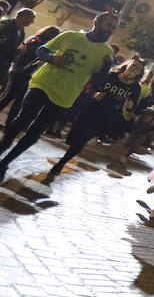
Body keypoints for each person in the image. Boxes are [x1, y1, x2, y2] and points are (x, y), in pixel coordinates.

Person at [0, 11, 118, 178]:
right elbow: (41, 51)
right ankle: (2, 149)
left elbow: (97, 80)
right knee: (22, 120)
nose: (110, 30)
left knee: (35, 132)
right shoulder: (70, 36)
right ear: (96, 22)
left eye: (114, 27)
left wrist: (106, 67)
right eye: (108, 25)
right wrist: (51, 59)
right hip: (43, 83)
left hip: (66, 95)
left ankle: (5, 163)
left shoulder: (106, 52)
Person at [45, 58, 146, 181]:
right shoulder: (111, 76)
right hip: (90, 109)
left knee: (82, 140)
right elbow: (92, 87)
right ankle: (70, 149)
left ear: (139, 73)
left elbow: (133, 105)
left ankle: (61, 163)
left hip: (107, 116)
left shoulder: (135, 87)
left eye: (138, 68)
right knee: (72, 137)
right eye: (133, 65)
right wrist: (94, 94)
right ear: (127, 65)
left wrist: (130, 107)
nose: (134, 68)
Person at [0, 24, 60, 122]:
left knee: (9, 96)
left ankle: (9, 123)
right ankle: (9, 123)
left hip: (17, 69)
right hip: (25, 72)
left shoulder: (35, 39)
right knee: (15, 100)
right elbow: (34, 57)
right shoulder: (43, 45)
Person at [0, 7, 35, 75]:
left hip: (4, 63)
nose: (32, 21)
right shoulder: (6, 25)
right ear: (23, 17)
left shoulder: (21, 30)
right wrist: (17, 51)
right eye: (32, 18)